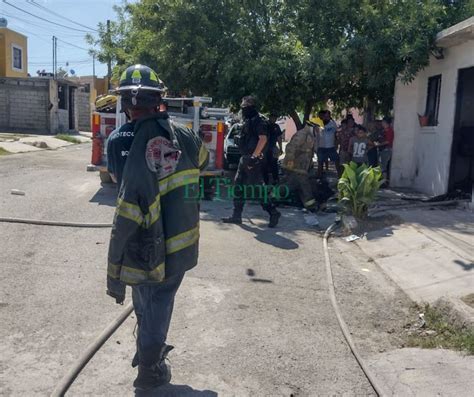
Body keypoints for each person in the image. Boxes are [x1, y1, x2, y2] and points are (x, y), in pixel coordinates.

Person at [106, 64, 209, 391]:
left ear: (125, 105)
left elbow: (119, 187)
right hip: (179, 243)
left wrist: (113, 268)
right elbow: (203, 162)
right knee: (161, 300)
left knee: (145, 297)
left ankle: (148, 353)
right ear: (160, 100)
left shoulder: (118, 139)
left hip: (142, 244)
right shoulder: (187, 135)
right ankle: (150, 366)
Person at [222, 96, 281, 227]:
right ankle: (236, 216)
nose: (243, 109)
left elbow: (263, 139)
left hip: (253, 160)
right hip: (245, 158)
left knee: (256, 190)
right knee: (238, 187)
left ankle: (273, 212)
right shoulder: (249, 120)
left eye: (245, 107)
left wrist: (254, 157)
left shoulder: (258, 121)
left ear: (252, 107)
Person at [278, 122, 317, 211]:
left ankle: (273, 196)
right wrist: (291, 161)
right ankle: (310, 205)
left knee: (292, 184)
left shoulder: (309, 135)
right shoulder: (302, 134)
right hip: (296, 166)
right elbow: (290, 147)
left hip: (302, 167)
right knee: (304, 184)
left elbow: (308, 152)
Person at [317, 110, 341, 177]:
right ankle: (319, 177)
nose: (326, 117)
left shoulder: (332, 123)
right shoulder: (318, 124)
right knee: (320, 163)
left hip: (331, 147)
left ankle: (340, 177)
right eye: (324, 116)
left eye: (328, 116)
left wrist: (336, 144)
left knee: (337, 161)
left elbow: (336, 133)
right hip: (321, 147)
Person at [263, 112, 283, 184]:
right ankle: (265, 181)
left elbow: (279, 138)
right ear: (270, 117)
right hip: (264, 148)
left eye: (275, 118)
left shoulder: (276, 126)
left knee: (274, 164)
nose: (274, 119)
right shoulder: (264, 125)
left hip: (273, 148)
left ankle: (275, 179)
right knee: (264, 165)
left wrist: (280, 148)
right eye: (273, 118)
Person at [377, 116, 394, 184]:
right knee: (381, 166)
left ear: (387, 123)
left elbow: (388, 141)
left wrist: (378, 144)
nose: (382, 123)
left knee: (383, 166)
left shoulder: (390, 130)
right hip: (382, 150)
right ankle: (382, 181)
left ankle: (384, 182)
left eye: (383, 122)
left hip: (386, 150)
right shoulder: (383, 130)